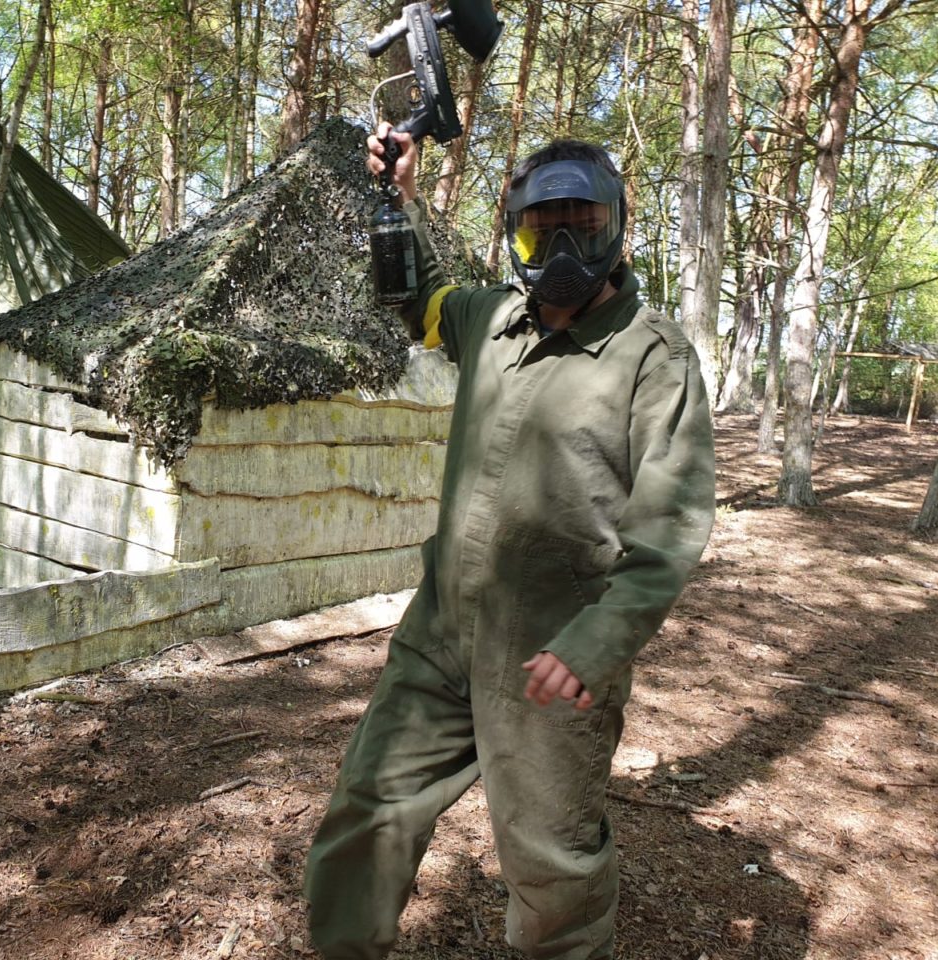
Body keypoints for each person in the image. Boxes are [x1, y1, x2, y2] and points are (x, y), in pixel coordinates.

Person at [303, 128, 716, 960]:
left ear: (616, 226)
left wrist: (594, 647)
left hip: (548, 664)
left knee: (551, 865)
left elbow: (668, 537)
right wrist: (401, 202)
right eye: (540, 228)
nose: (561, 246)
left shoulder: (653, 359)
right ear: (514, 233)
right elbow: (413, 298)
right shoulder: (491, 318)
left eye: (582, 223)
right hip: (438, 638)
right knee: (365, 813)